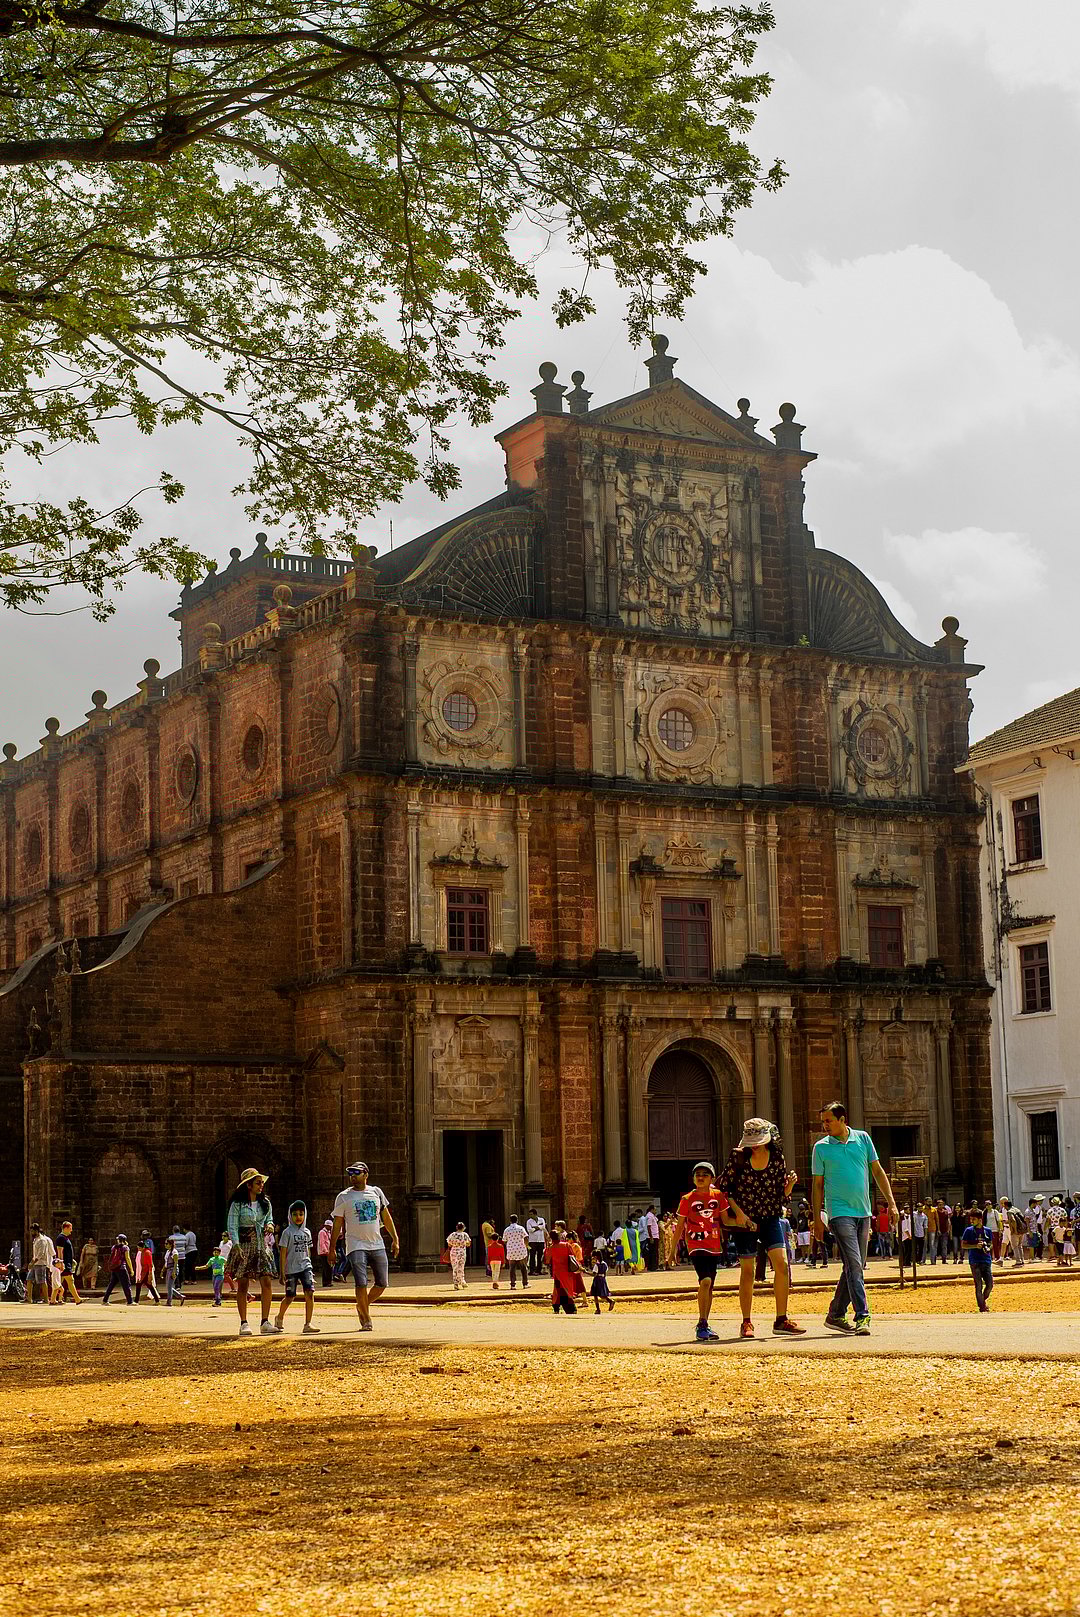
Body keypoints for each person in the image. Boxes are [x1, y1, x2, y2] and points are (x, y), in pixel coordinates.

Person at [812, 1101, 899, 1337]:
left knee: (855, 1266)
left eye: (829, 1120)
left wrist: (891, 1203)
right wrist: (817, 1218)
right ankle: (862, 1316)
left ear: (842, 1119)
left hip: (864, 1212)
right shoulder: (821, 1148)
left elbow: (878, 1171)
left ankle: (835, 1314)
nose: (825, 1125)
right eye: (823, 1122)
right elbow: (817, 1185)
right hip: (839, 1213)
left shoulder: (863, 1139)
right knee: (854, 1265)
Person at [718, 1118, 804, 1339]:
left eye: (758, 1140)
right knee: (748, 1270)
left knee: (782, 1265)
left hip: (771, 1217)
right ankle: (746, 1321)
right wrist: (739, 1214)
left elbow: (780, 1195)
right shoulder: (738, 1157)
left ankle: (781, 1319)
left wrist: (791, 1185)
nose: (754, 1145)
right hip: (745, 1220)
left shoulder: (777, 1159)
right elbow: (725, 1191)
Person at [328, 1160, 400, 1332]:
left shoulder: (376, 1192)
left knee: (382, 1283)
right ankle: (366, 1319)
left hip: (376, 1243)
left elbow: (386, 1217)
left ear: (366, 1174)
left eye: (356, 1173)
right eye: (350, 1174)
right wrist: (331, 1249)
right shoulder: (344, 1196)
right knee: (361, 1282)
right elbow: (337, 1224)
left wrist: (395, 1239)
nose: (353, 1176)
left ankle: (362, 1305)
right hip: (355, 1244)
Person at [673, 1161, 738, 1344]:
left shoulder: (718, 1196)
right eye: (697, 1174)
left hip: (714, 1244)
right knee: (706, 1281)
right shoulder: (687, 1199)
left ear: (712, 1178)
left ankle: (705, 1323)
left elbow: (726, 1220)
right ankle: (701, 1324)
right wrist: (672, 1252)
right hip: (696, 1244)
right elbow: (679, 1228)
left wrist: (744, 1221)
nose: (700, 1177)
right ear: (693, 1178)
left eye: (705, 1174)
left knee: (709, 1287)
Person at [226, 1166, 279, 1336]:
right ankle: (243, 1322)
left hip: (261, 1245)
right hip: (244, 1245)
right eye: (258, 1183)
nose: (261, 1185)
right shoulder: (237, 1204)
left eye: (261, 1183)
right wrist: (236, 1245)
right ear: (249, 1185)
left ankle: (265, 1321)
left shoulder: (265, 1203)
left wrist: (269, 1225)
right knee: (243, 1284)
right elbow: (232, 1226)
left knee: (267, 1280)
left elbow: (269, 1218)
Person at [275, 1201, 319, 1334]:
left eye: (301, 1214)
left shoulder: (307, 1232)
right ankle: (279, 1317)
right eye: (295, 1214)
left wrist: (310, 1268)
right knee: (290, 1296)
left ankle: (308, 1323)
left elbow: (308, 1251)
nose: (298, 1217)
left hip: (305, 1266)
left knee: (309, 1293)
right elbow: (283, 1253)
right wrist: (282, 1272)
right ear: (290, 1216)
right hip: (291, 1269)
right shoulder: (287, 1233)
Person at [961, 1208, 994, 1312]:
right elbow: (963, 1245)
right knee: (978, 1285)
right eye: (971, 1219)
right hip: (974, 1261)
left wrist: (987, 1247)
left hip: (986, 1260)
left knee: (989, 1285)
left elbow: (991, 1243)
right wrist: (975, 1246)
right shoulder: (968, 1231)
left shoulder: (987, 1231)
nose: (971, 1221)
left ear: (980, 1220)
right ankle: (982, 1307)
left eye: (974, 1219)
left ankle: (982, 1301)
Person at [545, 1224, 579, 1314]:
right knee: (568, 1289)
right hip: (567, 1271)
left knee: (558, 1290)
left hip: (557, 1273)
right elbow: (573, 1256)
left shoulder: (551, 1248)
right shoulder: (567, 1245)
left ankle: (556, 1307)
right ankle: (571, 1308)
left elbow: (547, 1261)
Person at [101, 1234, 135, 1304]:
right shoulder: (125, 1247)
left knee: (111, 1284)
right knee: (126, 1284)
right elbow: (127, 1258)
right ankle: (130, 1301)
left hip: (115, 1268)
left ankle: (105, 1300)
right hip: (122, 1268)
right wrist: (131, 1269)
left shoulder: (114, 1247)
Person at [27, 1224, 55, 1304]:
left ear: (36, 1230)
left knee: (42, 1281)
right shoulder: (35, 1240)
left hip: (40, 1263)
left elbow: (41, 1254)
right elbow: (35, 1254)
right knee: (29, 1279)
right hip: (35, 1263)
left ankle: (46, 1299)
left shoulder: (42, 1240)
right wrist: (31, 1262)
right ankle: (29, 1298)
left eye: (32, 1231)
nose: (31, 1232)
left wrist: (33, 1262)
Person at [55, 1221, 81, 1304]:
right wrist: (61, 1263)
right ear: (65, 1228)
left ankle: (54, 1299)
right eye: (70, 1228)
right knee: (70, 1281)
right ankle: (77, 1299)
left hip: (67, 1263)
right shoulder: (61, 1238)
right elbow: (60, 1251)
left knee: (59, 1282)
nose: (71, 1230)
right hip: (64, 1264)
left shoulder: (64, 1238)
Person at [501, 1214, 530, 1290]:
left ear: (510, 1220)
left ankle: (513, 1285)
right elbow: (526, 1237)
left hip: (511, 1251)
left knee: (512, 1269)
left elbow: (504, 1240)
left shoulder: (507, 1229)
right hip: (521, 1250)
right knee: (523, 1268)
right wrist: (526, 1246)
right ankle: (525, 1283)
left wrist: (510, 1244)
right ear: (517, 1220)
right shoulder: (521, 1228)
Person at [134, 1238, 160, 1304]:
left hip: (147, 1272)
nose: (138, 1249)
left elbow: (150, 1264)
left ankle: (136, 1300)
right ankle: (157, 1300)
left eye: (139, 1248)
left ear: (142, 1247)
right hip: (143, 1271)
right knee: (148, 1286)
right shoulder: (142, 1252)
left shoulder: (147, 1253)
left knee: (141, 1285)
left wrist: (150, 1274)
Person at [446, 1222, 471, 1288]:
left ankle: (456, 1283)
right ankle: (462, 1281)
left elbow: (449, 1244)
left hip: (454, 1252)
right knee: (461, 1267)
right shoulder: (465, 1235)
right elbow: (468, 1244)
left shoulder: (452, 1235)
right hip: (462, 1252)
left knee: (455, 1267)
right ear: (463, 1227)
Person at [163, 1236, 185, 1307]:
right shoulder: (168, 1251)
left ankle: (169, 1302)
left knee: (169, 1286)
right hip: (169, 1269)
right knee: (168, 1286)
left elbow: (175, 1263)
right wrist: (163, 1269)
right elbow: (166, 1262)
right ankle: (180, 1296)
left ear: (170, 1244)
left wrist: (174, 1272)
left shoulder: (174, 1252)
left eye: (167, 1243)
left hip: (172, 1269)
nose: (165, 1245)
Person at [526, 1209, 547, 1275]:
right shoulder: (529, 1221)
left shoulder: (541, 1219)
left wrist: (535, 1228)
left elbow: (543, 1227)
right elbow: (529, 1230)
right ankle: (532, 1270)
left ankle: (539, 1270)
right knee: (532, 1256)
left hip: (541, 1240)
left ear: (535, 1214)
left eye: (531, 1214)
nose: (530, 1215)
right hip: (532, 1241)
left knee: (540, 1256)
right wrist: (538, 1227)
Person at [317, 1219, 334, 1287]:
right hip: (324, 1252)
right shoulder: (322, 1232)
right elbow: (322, 1243)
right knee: (327, 1267)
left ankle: (327, 1282)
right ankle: (327, 1281)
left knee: (327, 1267)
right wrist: (326, 1251)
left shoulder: (328, 1232)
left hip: (328, 1251)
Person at [643, 1206, 660, 1272]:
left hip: (655, 1235)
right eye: (655, 1210)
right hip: (653, 1236)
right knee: (653, 1252)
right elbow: (649, 1227)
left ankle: (652, 1266)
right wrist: (651, 1237)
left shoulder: (652, 1216)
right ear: (652, 1209)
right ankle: (653, 1267)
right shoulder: (649, 1216)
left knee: (653, 1252)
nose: (656, 1211)